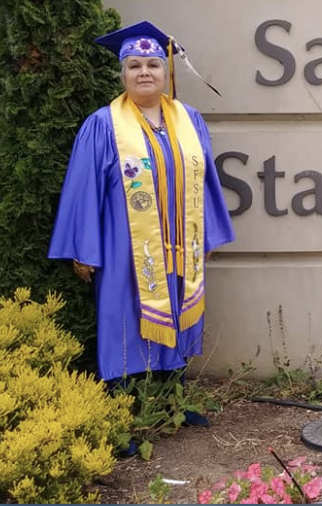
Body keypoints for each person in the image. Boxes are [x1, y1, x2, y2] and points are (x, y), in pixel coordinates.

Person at [48, 20, 235, 422]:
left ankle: (173, 404)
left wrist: (206, 235)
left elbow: (206, 181)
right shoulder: (103, 125)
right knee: (123, 323)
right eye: (135, 66)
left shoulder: (189, 120)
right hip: (123, 247)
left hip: (180, 244)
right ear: (123, 74)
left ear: (167, 73)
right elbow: (84, 191)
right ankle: (121, 415)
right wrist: (85, 249)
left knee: (177, 315)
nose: (145, 72)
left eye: (153, 65)